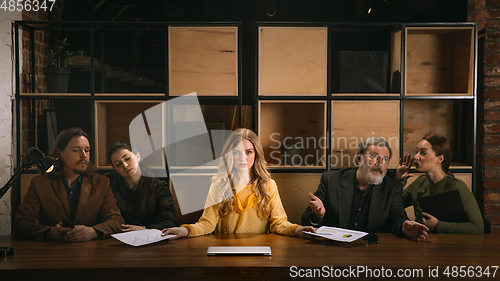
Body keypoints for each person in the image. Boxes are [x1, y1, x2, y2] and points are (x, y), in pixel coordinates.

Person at [162, 128, 316, 239]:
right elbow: (207, 224)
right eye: (237, 152)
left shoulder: (269, 185)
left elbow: (279, 223)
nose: (243, 158)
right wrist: (185, 230)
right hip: (224, 251)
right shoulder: (219, 185)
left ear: (256, 154)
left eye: (248, 152)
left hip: (260, 251)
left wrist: (297, 230)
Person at [302, 137, 428, 240]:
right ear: (359, 158)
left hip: (372, 251)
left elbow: (398, 218)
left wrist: (404, 226)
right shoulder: (331, 180)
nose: (379, 163)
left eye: (385, 159)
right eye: (374, 157)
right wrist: (318, 215)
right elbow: (305, 220)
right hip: (334, 250)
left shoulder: (392, 188)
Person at [13, 127, 124, 242]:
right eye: (76, 150)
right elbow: (20, 224)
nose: (84, 155)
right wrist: (49, 232)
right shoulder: (40, 183)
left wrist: (93, 232)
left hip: (89, 251)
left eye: (87, 150)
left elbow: (116, 220)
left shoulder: (100, 183)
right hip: (51, 251)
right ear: (60, 153)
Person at [396, 133, 484, 234]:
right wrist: (399, 182)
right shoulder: (420, 182)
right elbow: (393, 206)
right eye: (416, 152)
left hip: (451, 246)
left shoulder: (456, 186)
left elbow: (478, 228)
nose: (416, 157)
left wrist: (438, 225)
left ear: (440, 159)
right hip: (422, 244)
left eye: (423, 153)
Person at [105, 141, 178, 231]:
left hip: (148, 240)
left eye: (127, 158)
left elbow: (171, 222)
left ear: (138, 156)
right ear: (115, 169)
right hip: (117, 237)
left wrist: (145, 229)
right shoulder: (109, 182)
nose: (125, 165)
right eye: (118, 164)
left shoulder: (159, 187)